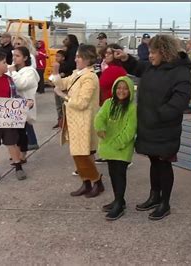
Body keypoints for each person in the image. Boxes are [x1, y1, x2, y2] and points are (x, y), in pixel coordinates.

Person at [115, 34, 191, 220]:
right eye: (149, 52)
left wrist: (160, 113)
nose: (150, 55)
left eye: (153, 52)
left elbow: (180, 99)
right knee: (154, 161)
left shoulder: (180, 71)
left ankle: (165, 203)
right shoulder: (151, 67)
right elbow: (138, 67)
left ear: (164, 52)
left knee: (164, 164)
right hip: (148, 126)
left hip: (165, 127)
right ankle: (154, 196)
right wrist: (126, 58)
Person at [51, 44, 104, 198]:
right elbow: (61, 83)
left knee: (84, 154)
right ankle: (86, 182)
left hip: (84, 122)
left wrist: (63, 95)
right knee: (77, 154)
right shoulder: (77, 74)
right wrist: (55, 73)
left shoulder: (90, 77)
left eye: (78, 57)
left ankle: (97, 182)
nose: (75, 59)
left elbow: (82, 103)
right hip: (75, 122)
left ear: (87, 59)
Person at [0, 52, 33, 183]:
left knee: (12, 143)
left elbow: (14, 97)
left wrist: (26, 103)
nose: (7, 65)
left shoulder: (8, 79)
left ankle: (18, 167)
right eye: (4, 62)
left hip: (8, 118)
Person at [95, 76, 137, 220]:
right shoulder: (108, 103)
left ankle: (119, 204)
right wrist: (100, 127)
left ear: (130, 91)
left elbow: (130, 130)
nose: (122, 91)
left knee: (119, 175)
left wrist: (118, 143)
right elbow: (100, 117)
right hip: (108, 146)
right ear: (114, 89)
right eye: (119, 88)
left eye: (125, 88)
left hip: (122, 148)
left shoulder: (132, 108)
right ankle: (119, 199)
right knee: (113, 173)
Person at [8, 46, 39, 163]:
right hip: (11, 105)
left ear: (25, 57)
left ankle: (22, 154)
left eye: (18, 56)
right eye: (13, 56)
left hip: (24, 105)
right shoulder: (11, 69)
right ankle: (16, 153)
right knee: (13, 133)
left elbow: (21, 84)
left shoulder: (30, 71)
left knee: (22, 132)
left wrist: (13, 72)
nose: (14, 58)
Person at [52, 50, 72, 129]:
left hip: (63, 89)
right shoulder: (56, 65)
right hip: (56, 88)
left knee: (63, 105)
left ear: (63, 58)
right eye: (56, 56)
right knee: (58, 106)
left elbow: (62, 76)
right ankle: (60, 120)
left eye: (58, 56)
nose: (56, 58)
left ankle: (65, 121)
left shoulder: (65, 66)